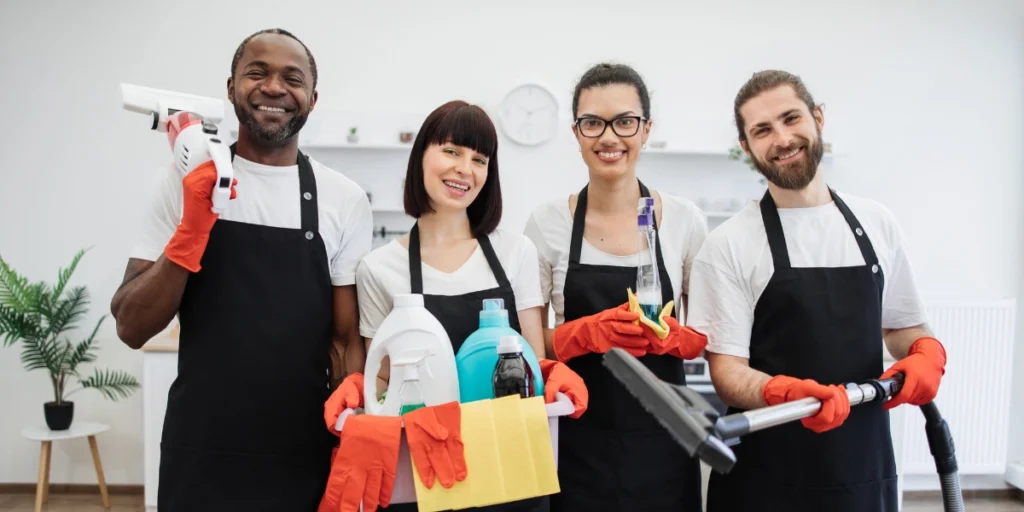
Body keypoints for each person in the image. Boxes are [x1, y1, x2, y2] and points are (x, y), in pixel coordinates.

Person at [109, 28, 373, 511]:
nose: (274, 87)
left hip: (302, 446)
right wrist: (193, 226)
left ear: (312, 99)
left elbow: (344, 340)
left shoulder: (343, 199)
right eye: (257, 72)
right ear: (229, 88)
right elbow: (131, 325)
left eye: (292, 78)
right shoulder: (182, 182)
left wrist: (351, 434)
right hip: (202, 447)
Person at [688, 69, 947, 512]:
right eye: (762, 130)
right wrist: (784, 393)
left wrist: (924, 350)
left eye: (791, 118)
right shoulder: (728, 243)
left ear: (818, 118)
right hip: (767, 476)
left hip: (863, 465)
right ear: (746, 147)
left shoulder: (876, 221)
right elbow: (727, 373)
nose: (783, 138)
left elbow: (903, 325)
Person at [320, 100, 589, 512]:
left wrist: (550, 372)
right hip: (423, 475)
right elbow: (381, 381)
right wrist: (361, 390)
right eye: (451, 151)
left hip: (509, 467)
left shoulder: (515, 252)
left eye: (479, 159)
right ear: (421, 156)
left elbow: (533, 359)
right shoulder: (379, 268)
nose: (465, 168)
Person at [523, 63, 710, 511]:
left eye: (625, 121)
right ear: (576, 133)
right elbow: (528, 349)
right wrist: (583, 333)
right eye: (593, 123)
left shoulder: (685, 220)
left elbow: (707, 335)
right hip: (576, 440)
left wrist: (678, 339)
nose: (609, 137)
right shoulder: (547, 224)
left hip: (666, 443)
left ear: (646, 130)